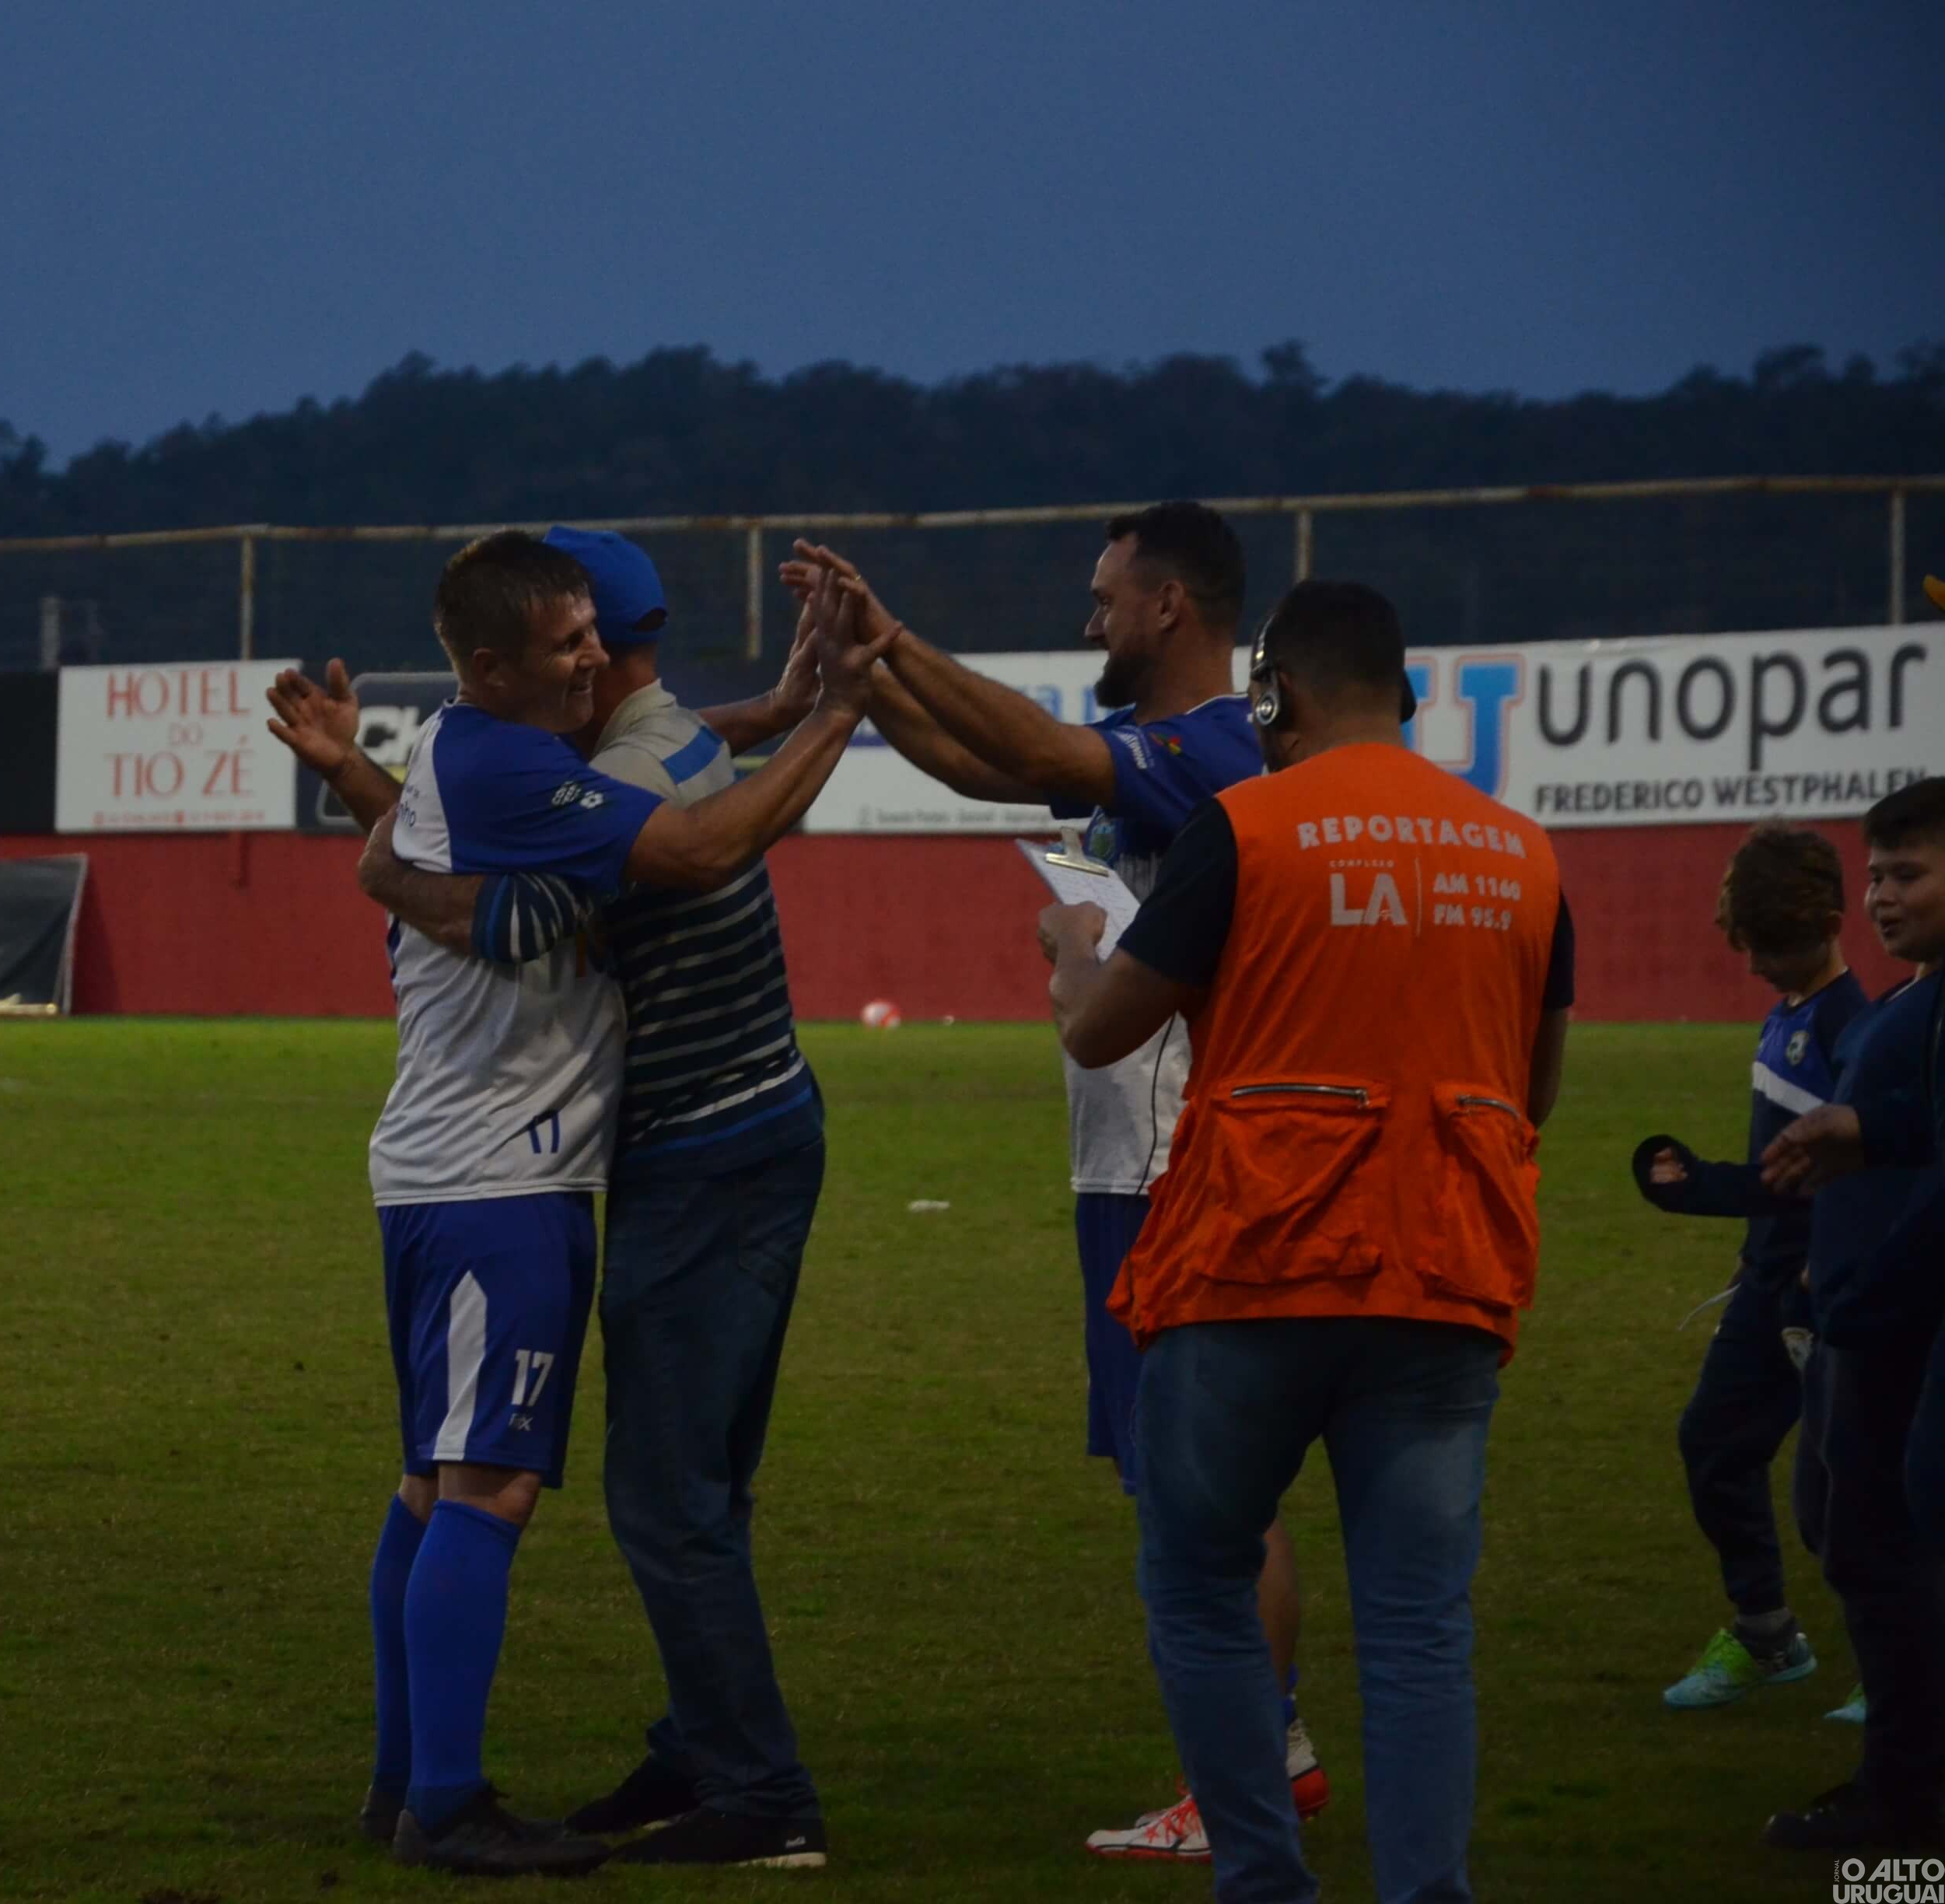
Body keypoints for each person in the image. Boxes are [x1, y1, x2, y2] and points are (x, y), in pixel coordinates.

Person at [262, 530, 884, 1876]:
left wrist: (379, 846)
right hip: (503, 1174)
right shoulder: (560, 759)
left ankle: (418, 1786)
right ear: (508, 663)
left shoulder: (517, 748)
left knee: (442, 1482)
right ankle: (447, 1798)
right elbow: (661, 840)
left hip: (467, 1170)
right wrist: (828, 711)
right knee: (486, 1490)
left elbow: (512, 843)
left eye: (590, 636)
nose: (586, 656)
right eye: (564, 641)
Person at [787, 504, 1327, 1861]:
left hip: (1168, 1164)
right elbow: (990, 772)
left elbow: (1026, 744)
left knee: (1204, 1492)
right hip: (1129, 1163)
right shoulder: (1163, 755)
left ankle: (1242, 1780)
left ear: (1168, 609)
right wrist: (865, 688)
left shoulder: (1207, 744)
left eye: (1102, 598)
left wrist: (893, 636)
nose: (1088, 619)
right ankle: (1275, 1745)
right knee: (1191, 1482)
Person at [1040, 578, 1574, 1902]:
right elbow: (1535, 1086)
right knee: (1416, 1628)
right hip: (1444, 1269)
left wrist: (1071, 948)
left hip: (1253, 1267)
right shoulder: (1523, 852)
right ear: (1403, 689)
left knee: (1203, 1579)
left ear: (1275, 690)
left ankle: (1265, 1882)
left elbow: (1103, 1028)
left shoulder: (1245, 825)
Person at [1629, 825, 1863, 1710]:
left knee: (1848, 1491)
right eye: (1751, 944)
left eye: (1776, 945)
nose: (1759, 962)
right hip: (1768, 1285)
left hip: (1827, 1295)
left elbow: (1862, 1178)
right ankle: (1768, 1636)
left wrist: (1819, 1265)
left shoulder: (1856, 1031)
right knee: (1715, 1446)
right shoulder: (1790, 1012)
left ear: (1832, 922)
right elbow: (1781, 1178)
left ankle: (1902, 1666)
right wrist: (1698, 1187)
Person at [1756, 777, 1945, 1853]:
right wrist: (1865, 1126)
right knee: (1857, 1539)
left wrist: (1862, 1296)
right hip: (1868, 1319)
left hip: (1891, 1325)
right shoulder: (1920, 1002)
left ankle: (1906, 1820)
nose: (1881, 896)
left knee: (1881, 1551)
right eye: (1875, 874)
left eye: (1908, 874)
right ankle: (1901, 1783)